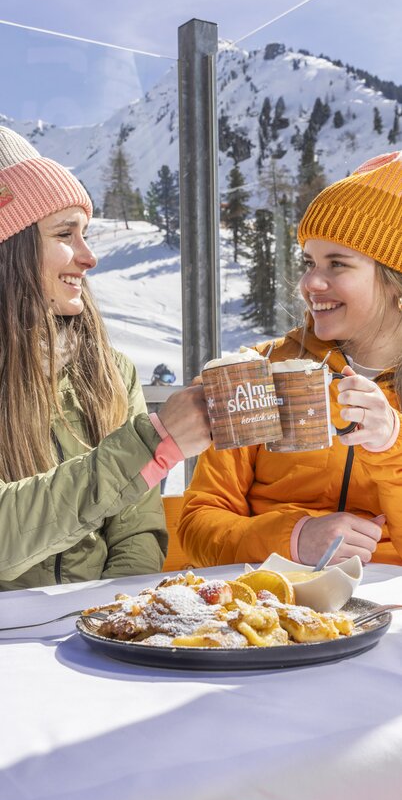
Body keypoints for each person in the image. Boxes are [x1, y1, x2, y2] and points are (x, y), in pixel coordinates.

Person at [0, 126, 211, 591]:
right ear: (9, 249)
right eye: (65, 233)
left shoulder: (111, 370)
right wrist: (148, 444)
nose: (89, 256)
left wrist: (108, 615)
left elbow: (136, 524)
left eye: (86, 233)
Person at [178, 151, 402, 569]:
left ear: (394, 281)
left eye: (337, 263)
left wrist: (392, 445)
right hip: (270, 614)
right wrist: (293, 539)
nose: (310, 283)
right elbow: (199, 525)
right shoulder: (259, 372)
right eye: (309, 262)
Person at [148, 364, 176, 493]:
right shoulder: (146, 394)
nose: (169, 383)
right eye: (167, 378)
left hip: (163, 450)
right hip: (146, 448)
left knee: (159, 490)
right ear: (157, 378)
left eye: (172, 379)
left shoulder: (169, 397)